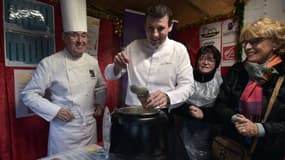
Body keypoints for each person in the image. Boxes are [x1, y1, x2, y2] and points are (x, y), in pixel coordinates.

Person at [21, 0, 107, 155]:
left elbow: (101, 86)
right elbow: (28, 95)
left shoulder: (92, 62)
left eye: (83, 35)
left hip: (89, 129)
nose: (80, 41)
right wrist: (55, 110)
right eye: (74, 35)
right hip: (64, 133)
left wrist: (100, 104)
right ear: (64, 37)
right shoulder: (50, 63)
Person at [212, 17, 285, 160]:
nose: (247, 47)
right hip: (233, 149)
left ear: (275, 43)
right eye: (245, 42)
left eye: (255, 41)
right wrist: (234, 118)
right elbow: (220, 105)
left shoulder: (282, 75)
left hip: (268, 152)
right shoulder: (238, 70)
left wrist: (260, 129)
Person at [104, 3, 194, 109]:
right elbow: (109, 75)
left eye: (160, 29)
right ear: (145, 26)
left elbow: (188, 85)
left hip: (162, 112)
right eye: (150, 28)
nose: (155, 34)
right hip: (134, 111)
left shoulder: (179, 50)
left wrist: (168, 97)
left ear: (170, 27)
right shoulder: (134, 46)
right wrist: (117, 66)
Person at [173, 45, 223, 160]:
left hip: (209, 133)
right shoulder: (186, 78)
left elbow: (222, 109)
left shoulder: (221, 81)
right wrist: (188, 110)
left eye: (210, 60)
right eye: (202, 59)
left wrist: (204, 114)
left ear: (216, 63)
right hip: (184, 129)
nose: (205, 62)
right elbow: (174, 102)